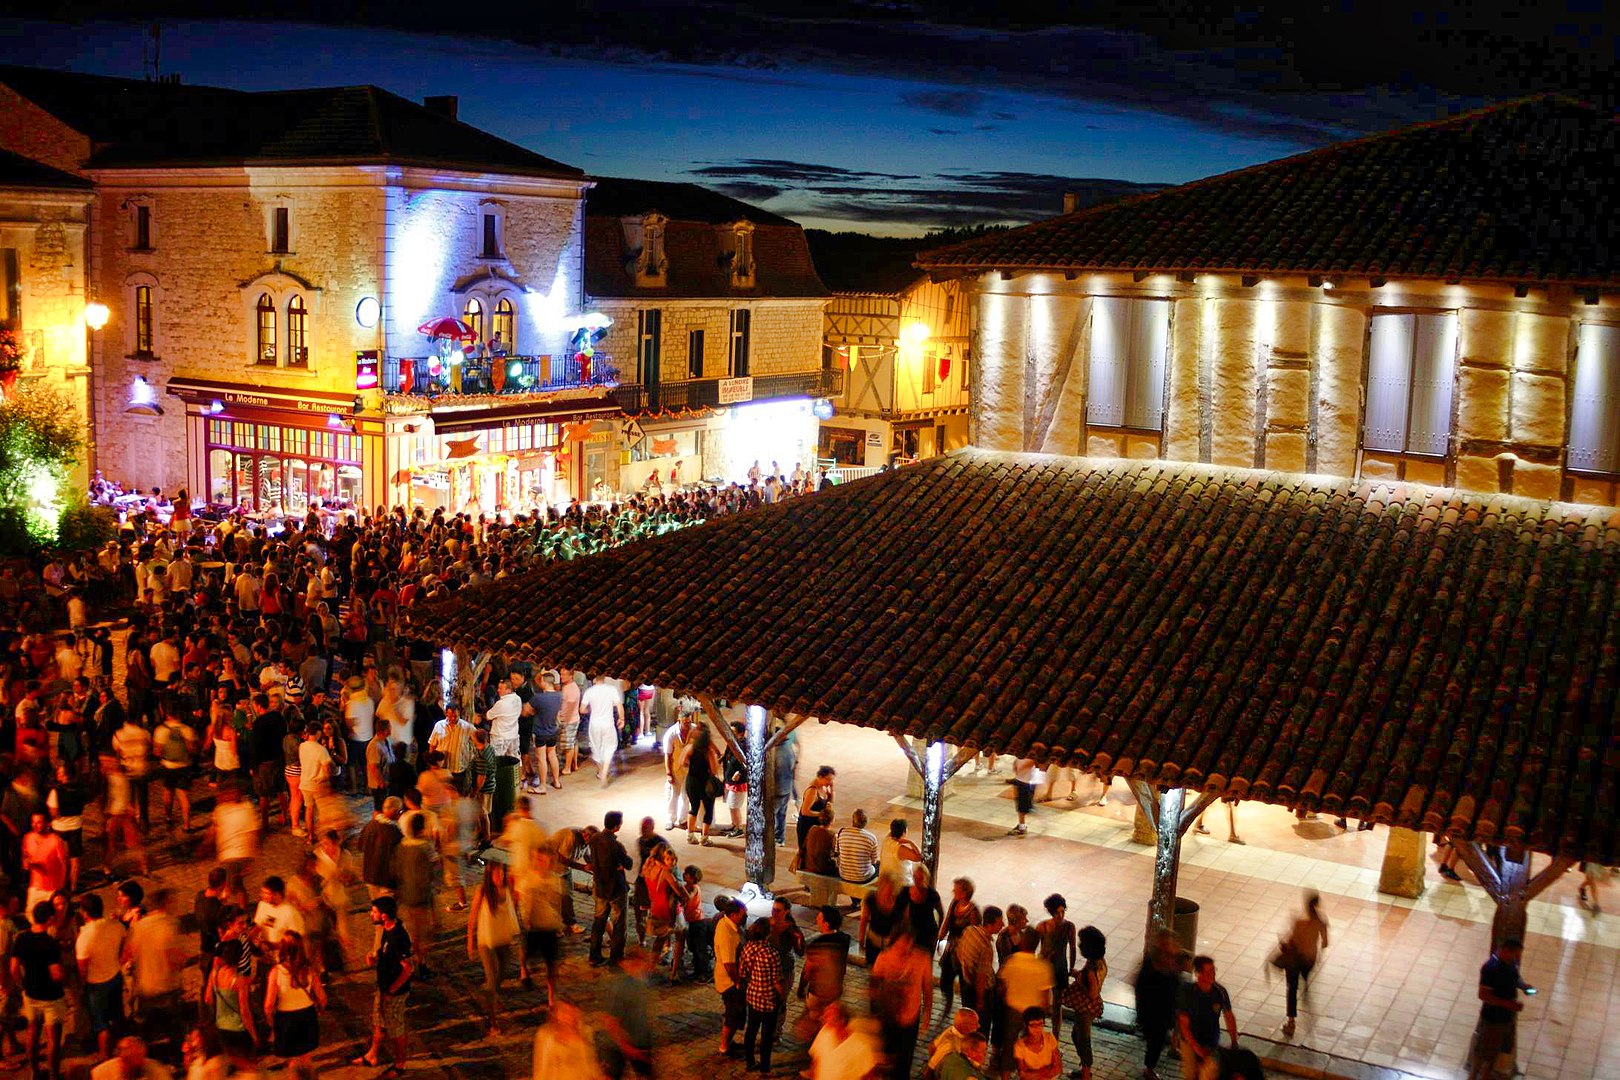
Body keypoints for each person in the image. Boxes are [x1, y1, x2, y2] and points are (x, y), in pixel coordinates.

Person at [357, 896, 413, 1076]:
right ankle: (372, 1055)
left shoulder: (399, 937)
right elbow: (387, 952)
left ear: (384, 916)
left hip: (393, 992)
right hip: (384, 988)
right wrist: (376, 956)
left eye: (374, 911)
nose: (370, 914)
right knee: (378, 1022)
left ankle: (400, 1065)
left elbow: (408, 969)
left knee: (396, 1030)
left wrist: (392, 990)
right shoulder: (387, 929)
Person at [9, 900, 65, 1080]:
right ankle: (54, 1074)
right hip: (51, 997)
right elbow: (56, 974)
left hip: (30, 993)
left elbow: (13, 967)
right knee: (53, 1039)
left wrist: (21, 985)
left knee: (33, 1032)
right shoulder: (49, 943)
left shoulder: (22, 938)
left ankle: (34, 1070)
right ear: (49, 919)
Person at [871, 925, 934, 1079]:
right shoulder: (884, 957)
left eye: (910, 940)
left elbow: (927, 988)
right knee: (886, 1057)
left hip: (910, 1016)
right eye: (903, 940)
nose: (907, 945)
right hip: (888, 1015)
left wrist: (927, 1013)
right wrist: (874, 1014)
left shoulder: (922, 958)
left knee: (905, 1060)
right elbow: (874, 986)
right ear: (895, 939)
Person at [468, 860, 521, 1035]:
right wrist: (470, 942)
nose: (500, 877)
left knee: (501, 976)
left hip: (503, 939)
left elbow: (512, 911)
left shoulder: (507, 889)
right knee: (492, 980)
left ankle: (491, 994)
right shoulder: (482, 891)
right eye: (496, 874)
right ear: (489, 876)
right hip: (487, 941)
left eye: (502, 873)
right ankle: (493, 1021)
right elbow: (472, 918)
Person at [1468, 937, 1533, 1080]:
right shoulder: (1490, 968)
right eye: (1514, 954)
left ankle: (1485, 1075)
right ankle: (1474, 1076)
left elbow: (1515, 977)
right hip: (1493, 1018)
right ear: (1505, 951)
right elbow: (1483, 994)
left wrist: (1524, 986)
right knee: (1483, 1051)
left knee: (1494, 1052)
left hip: (1506, 1017)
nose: (1516, 958)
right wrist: (1508, 1004)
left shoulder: (1510, 963)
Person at [265, 933, 325, 1080]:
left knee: (293, 1062)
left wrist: (270, 1021)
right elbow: (322, 997)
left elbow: (268, 1005)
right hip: (307, 1015)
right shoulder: (309, 969)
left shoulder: (276, 972)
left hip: (286, 1018)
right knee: (306, 1059)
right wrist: (319, 1010)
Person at [76, 893, 128, 1060]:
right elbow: (123, 949)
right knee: (118, 1016)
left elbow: (82, 968)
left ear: (84, 912)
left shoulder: (84, 937)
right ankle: (123, 1052)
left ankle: (106, 1059)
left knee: (101, 1025)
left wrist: (82, 985)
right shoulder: (116, 926)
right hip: (114, 976)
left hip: (96, 984)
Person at [1178, 955, 1239, 1080]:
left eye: (1214, 970)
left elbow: (1229, 1016)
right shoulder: (1188, 992)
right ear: (1198, 973)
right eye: (1209, 971)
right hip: (1190, 1041)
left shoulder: (1220, 992)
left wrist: (1234, 1041)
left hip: (1211, 1042)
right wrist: (1196, 1048)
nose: (1213, 974)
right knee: (1190, 1075)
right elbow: (1184, 1024)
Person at [796, 905, 852, 1041]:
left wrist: (801, 987)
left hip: (817, 991)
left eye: (819, 918)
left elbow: (808, 969)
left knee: (814, 1019)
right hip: (835, 990)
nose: (817, 919)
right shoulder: (844, 940)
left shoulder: (817, 945)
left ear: (826, 924)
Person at [1278, 891, 1329, 1037]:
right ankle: (1305, 987)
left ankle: (1291, 1021)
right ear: (1318, 904)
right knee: (1303, 979)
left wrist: (1283, 943)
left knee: (1291, 988)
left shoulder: (1299, 921)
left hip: (1295, 960)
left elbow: (1291, 941)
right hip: (1309, 960)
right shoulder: (1321, 921)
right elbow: (1325, 943)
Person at [1133, 929, 1182, 1080]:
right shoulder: (1151, 965)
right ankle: (1149, 1068)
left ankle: (1152, 1064)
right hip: (1154, 1013)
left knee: (1157, 1041)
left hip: (1166, 1011)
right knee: (1156, 1041)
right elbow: (1141, 988)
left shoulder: (1172, 964)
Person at [205, 938, 259, 1068]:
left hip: (221, 1028)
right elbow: (245, 1011)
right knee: (248, 1067)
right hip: (239, 1029)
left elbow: (208, 998)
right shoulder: (240, 981)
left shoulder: (215, 973)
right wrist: (254, 1036)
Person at [588, 810, 633, 966]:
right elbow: (628, 864)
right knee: (619, 924)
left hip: (600, 887)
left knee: (598, 922)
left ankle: (594, 955)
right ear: (616, 826)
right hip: (616, 889)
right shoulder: (615, 845)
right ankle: (616, 956)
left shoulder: (594, 839)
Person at [739, 919, 783, 1072]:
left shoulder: (748, 948)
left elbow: (742, 972)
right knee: (766, 1035)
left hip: (752, 996)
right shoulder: (772, 953)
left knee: (751, 1029)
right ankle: (765, 1067)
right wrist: (783, 997)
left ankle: (750, 1061)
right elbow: (777, 981)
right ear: (768, 933)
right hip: (769, 1000)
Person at [1068, 926, 1107, 1080]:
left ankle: (1085, 1072)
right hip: (1090, 1008)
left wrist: (1079, 979)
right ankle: (1084, 1068)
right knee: (1077, 1035)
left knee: (1082, 1038)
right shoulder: (1100, 962)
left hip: (1085, 1008)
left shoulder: (1091, 968)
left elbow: (1092, 992)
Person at [939, 876, 982, 1017]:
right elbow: (947, 920)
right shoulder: (955, 903)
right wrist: (941, 935)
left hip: (964, 954)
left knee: (966, 985)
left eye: (956, 890)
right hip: (951, 948)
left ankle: (966, 1012)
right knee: (945, 978)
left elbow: (974, 934)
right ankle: (948, 1000)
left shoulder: (973, 912)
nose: (953, 891)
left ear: (964, 892)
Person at [1037, 893, 1077, 1038]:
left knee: (1057, 1005)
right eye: (1057, 912)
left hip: (1060, 967)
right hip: (1045, 967)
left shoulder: (1069, 927)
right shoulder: (1042, 927)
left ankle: (1056, 1035)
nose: (1060, 915)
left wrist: (1071, 968)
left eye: (1062, 912)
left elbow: (1072, 948)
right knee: (1042, 1003)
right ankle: (1038, 1031)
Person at [531, 999, 605, 1079]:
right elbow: (541, 1071)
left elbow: (591, 1064)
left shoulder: (585, 1031)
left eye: (572, 1013)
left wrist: (600, 1077)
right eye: (565, 1012)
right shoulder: (546, 1036)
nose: (569, 1017)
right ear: (557, 1015)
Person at [712, 895, 747, 1058]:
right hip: (729, 982)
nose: (745, 916)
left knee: (736, 1012)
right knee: (732, 1014)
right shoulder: (726, 933)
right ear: (733, 915)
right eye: (743, 914)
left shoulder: (728, 924)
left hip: (731, 979)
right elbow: (728, 963)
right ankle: (724, 1046)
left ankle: (729, 1042)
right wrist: (737, 981)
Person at [808, 1001, 877, 1080]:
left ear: (841, 1019)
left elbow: (869, 1075)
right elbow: (816, 1060)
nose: (824, 1017)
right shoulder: (824, 1033)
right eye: (826, 1014)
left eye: (829, 1015)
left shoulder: (860, 1045)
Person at [683, 721, 722, 846]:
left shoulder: (690, 748)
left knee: (693, 808)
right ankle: (704, 838)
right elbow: (714, 770)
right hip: (705, 783)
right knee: (708, 809)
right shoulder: (708, 752)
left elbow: (683, 762)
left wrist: (693, 766)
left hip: (692, 781)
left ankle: (690, 835)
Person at [581, 674, 624, 786]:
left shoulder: (589, 691)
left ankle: (601, 771)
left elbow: (582, 709)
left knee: (596, 748)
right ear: (604, 677)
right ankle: (604, 772)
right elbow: (619, 705)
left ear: (594, 679)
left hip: (594, 724)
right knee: (609, 747)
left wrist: (592, 710)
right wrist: (621, 719)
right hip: (608, 723)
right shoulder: (611, 689)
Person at [90, 1036, 174, 1080]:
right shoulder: (101, 1073)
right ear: (121, 1058)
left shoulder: (157, 1071)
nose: (134, 1064)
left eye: (138, 1058)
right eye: (129, 1060)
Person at [1013, 1006, 1063, 1080]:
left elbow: (1058, 1067)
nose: (1037, 1029)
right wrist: (1045, 1070)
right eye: (1033, 1025)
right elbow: (1023, 1074)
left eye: (1040, 1024)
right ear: (1026, 1026)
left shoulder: (1049, 1038)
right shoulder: (1019, 1046)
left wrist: (1034, 1073)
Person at [834, 808, 879, 885]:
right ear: (866, 822)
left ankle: (855, 896)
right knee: (879, 867)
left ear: (852, 820)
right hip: (863, 877)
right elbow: (874, 861)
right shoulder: (871, 838)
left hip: (844, 874)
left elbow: (837, 851)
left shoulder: (842, 833)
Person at [878, 817, 922, 885]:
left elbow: (892, 831)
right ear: (904, 832)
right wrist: (911, 842)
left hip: (886, 881)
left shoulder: (886, 840)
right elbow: (920, 857)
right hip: (901, 885)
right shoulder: (900, 849)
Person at [1009, 756, 1042, 835]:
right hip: (1020, 780)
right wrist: (1015, 764)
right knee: (1019, 802)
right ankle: (1022, 823)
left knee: (1022, 805)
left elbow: (1033, 762)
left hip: (1026, 782)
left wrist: (1019, 770)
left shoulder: (1034, 755)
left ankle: (1022, 827)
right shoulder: (1023, 752)